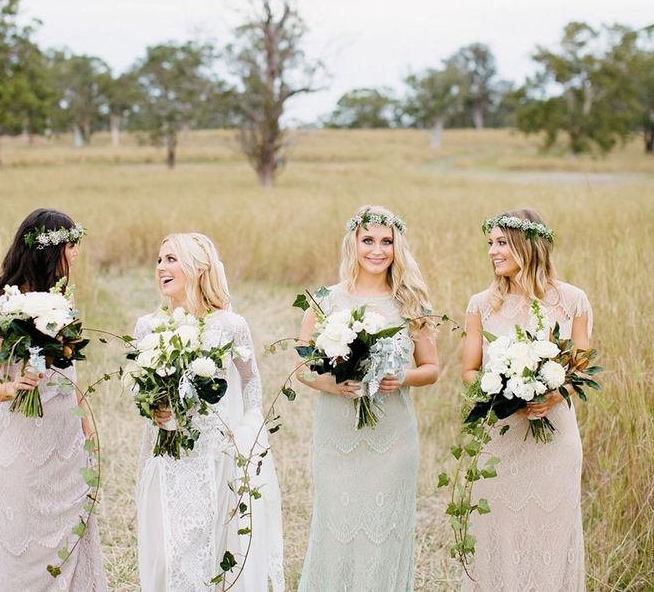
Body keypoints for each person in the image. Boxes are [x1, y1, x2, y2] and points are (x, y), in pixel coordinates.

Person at [296, 205, 439, 592]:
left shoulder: (411, 301)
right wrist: (334, 384)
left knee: (383, 530)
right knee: (337, 525)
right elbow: (303, 366)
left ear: (397, 247)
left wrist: (401, 377)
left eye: (387, 242)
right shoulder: (326, 299)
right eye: (368, 240)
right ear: (353, 243)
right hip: (337, 431)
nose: (377, 250)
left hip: (392, 435)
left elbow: (432, 368)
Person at [133, 232, 284, 591]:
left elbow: (251, 382)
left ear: (198, 269)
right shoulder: (147, 326)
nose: (161, 268)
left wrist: (249, 430)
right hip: (168, 451)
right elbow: (141, 386)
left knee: (216, 547)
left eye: (172, 259)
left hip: (217, 453)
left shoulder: (230, 326)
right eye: (159, 260)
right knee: (170, 550)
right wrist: (153, 406)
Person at [0, 208, 106, 591]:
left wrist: (90, 436)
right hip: (22, 453)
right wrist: (11, 388)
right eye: (70, 245)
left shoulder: (63, 306)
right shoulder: (2, 310)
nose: (75, 253)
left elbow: (71, 379)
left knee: (72, 547)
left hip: (67, 450)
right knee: (23, 550)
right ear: (49, 251)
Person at [461, 208, 592, 592]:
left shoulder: (572, 300)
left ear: (528, 245)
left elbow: (581, 366)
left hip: (556, 440)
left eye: (501, 243)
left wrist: (553, 394)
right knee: (498, 532)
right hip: (502, 439)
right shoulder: (481, 304)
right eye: (490, 243)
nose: (492, 252)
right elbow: (468, 370)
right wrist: (500, 390)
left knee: (551, 532)